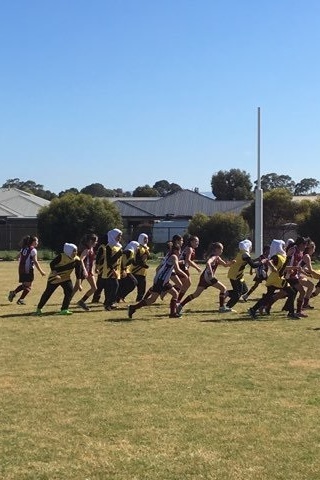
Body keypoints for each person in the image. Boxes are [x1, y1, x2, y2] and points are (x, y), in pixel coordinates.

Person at [128, 239, 188, 319]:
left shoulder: (170, 255)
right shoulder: (174, 256)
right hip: (161, 281)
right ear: (175, 251)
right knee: (152, 300)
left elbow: (163, 266)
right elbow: (177, 269)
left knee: (174, 294)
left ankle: (172, 314)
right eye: (179, 251)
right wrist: (185, 275)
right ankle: (133, 308)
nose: (180, 253)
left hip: (162, 280)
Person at [176, 242, 235, 315]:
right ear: (216, 249)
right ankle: (222, 307)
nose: (222, 251)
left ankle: (180, 305)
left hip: (204, 277)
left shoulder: (217, 257)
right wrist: (210, 271)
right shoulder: (214, 257)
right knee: (223, 288)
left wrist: (231, 263)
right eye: (221, 249)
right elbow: (208, 263)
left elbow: (225, 265)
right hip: (208, 277)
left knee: (196, 294)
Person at [248, 239, 298, 319]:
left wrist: (294, 267)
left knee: (267, 296)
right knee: (291, 292)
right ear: (279, 247)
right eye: (283, 246)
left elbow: (282, 267)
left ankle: (253, 309)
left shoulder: (282, 256)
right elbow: (269, 261)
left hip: (275, 279)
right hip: (277, 279)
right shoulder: (276, 256)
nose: (284, 247)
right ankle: (291, 313)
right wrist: (273, 267)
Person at [35, 243, 87, 315]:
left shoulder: (77, 259)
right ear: (68, 251)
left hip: (66, 278)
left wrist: (79, 284)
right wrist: (55, 274)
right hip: (54, 278)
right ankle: (39, 309)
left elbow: (78, 273)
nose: (75, 253)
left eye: (76, 251)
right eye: (74, 251)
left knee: (69, 291)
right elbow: (52, 264)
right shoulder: (61, 256)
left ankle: (64, 309)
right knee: (48, 293)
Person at [225, 239, 268, 311]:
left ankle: (227, 293)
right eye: (250, 246)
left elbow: (251, 262)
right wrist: (262, 262)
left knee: (244, 290)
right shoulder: (245, 254)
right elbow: (253, 265)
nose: (251, 248)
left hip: (238, 274)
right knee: (238, 294)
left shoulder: (242, 252)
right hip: (235, 275)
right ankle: (228, 307)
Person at [8, 235, 46, 305]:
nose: (37, 242)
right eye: (36, 241)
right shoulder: (33, 250)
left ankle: (14, 293)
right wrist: (41, 271)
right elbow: (35, 261)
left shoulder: (24, 248)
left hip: (21, 269)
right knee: (28, 286)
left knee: (25, 285)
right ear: (33, 242)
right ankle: (20, 299)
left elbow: (18, 256)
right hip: (28, 269)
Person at [73, 233, 98, 311]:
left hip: (89, 272)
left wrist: (93, 270)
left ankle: (82, 301)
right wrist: (84, 270)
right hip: (83, 271)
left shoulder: (92, 249)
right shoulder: (86, 249)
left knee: (94, 288)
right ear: (91, 241)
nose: (96, 243)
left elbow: (91, 261)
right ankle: (66, 303)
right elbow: (81, 260)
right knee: (75, 289)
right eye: (95, 241)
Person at [103, 228, 123, 311]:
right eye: (118, 236)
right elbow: (109, 260)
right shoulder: (109, 246)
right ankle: (109, 303)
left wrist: (122, 270)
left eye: (120, 236)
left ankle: (110, 303)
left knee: (112, 287)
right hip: (110, 270)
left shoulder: (118, 246)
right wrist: (113, 270)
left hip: (117, 269)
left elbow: (119, 260)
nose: (120, 237)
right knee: (114, 285)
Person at [177, 235, 202, 302]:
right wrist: (197, 268)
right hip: (182, 267)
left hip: (183, 267)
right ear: (191, 242)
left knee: (183, 284)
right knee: (187, 284)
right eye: (196, 241)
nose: (198, 243)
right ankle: (177, 300)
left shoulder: (191, 249)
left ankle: (168, 290)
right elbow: (187, 260)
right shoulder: (189, 249)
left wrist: (195, 265)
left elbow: (189, 261)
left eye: (198, 241)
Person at [131, 233, 150, 301]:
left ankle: (139, 299)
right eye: (145, 238)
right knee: (131, 285)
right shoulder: (138, 247)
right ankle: (119, 297)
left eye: (147, 238)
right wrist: (143, 264)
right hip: (136, 271)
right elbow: (136, 259)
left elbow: (147, 257)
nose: (146, 240)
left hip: (143, 272)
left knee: (142, 287)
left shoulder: (146, 248)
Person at [91, 234, 108, 303]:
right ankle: (95, 299)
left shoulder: (108, 247)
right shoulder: (102, 247)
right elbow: (98, 258)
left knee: (106, 285)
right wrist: (97, 267)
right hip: (102, 268)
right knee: (100, 285)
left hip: (107, 269)